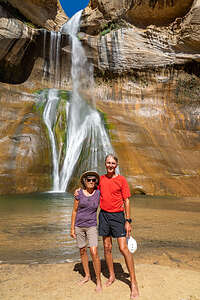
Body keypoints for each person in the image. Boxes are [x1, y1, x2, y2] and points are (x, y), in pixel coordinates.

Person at [98, 154, 139, 299]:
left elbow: (126, 201)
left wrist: (128, 221)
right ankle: (112, 276)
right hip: (103, 215)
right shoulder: (101, 179)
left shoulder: (121, 180)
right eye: (108, 163)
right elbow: (91, 191)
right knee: (107, 247)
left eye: (112, 163)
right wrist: (79, 192)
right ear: (105, 164)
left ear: (116, 165)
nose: (110, 165)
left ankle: (133, 282)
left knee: (123, 248)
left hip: (118, 217)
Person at [70, 171, 102, 292]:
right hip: (79, 226)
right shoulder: (79, 194)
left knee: (94, 252)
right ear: (85, 181)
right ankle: (87, 275)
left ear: (96, 182)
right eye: (89, 180)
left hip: (92, 226)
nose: (91, 182)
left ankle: (98, 280)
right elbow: (74, 211)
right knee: (82, 250)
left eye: (94, 180)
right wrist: (72, 228)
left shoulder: (98, 193)